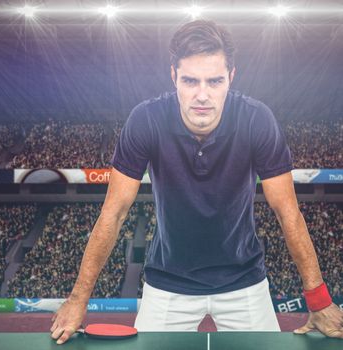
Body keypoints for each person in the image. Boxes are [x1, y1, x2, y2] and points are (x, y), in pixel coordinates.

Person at [50, 20, 343, 344]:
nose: (202, 94)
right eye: (190, 80)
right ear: (173, 75)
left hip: (244, 281)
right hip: (167, 282)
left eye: (214, 81)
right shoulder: (146, 120)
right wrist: (78, 300)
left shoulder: (257, 120)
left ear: (231, 78)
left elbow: (288, 213)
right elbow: (114, 213)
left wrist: (320, 302)